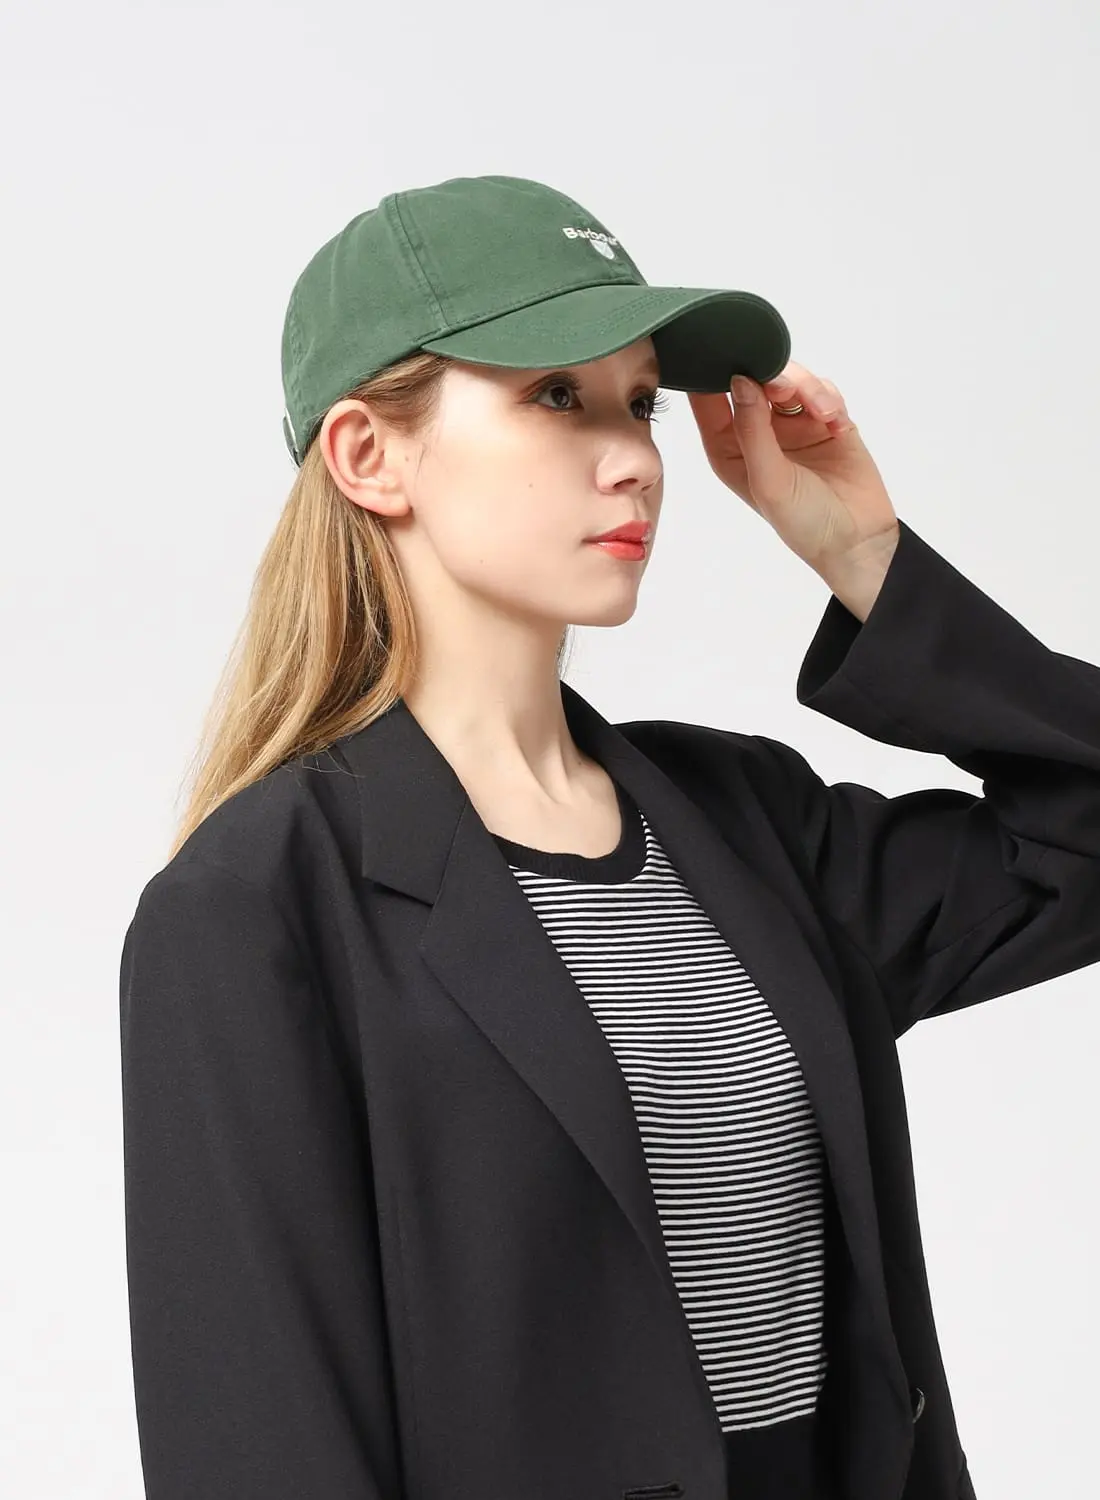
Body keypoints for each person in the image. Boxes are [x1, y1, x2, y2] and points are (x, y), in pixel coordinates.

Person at [118, 174, 1100, 1500]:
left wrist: (865, 554)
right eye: (555, 395)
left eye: (640, 402)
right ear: (368, 456)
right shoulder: (256, 911)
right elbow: (263, 1452)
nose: (636, 454)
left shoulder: (746, 825)